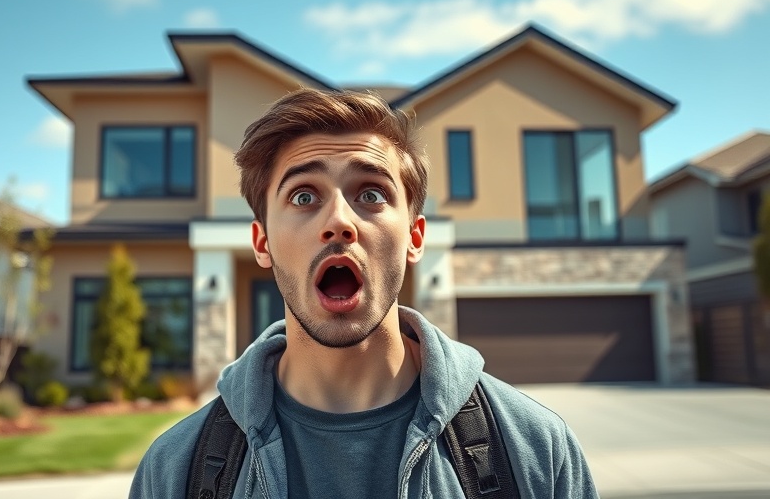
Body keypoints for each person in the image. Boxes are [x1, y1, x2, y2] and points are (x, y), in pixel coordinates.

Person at [130, 89, 598, 498]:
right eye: (303, 196)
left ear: (415, 238)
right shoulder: (175, 470)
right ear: (263, 243)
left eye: (371, 194)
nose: (339, 222)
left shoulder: (535, 450)